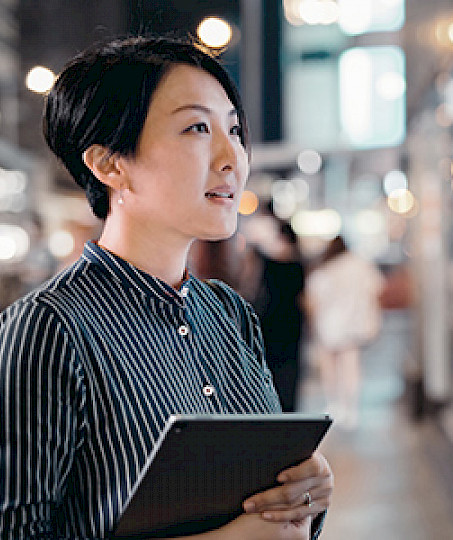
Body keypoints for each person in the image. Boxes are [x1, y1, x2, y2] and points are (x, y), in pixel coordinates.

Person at [0, 36, 333, 539]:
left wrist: (304, 494)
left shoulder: (229, 314)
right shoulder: (47, 329)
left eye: (233, 129)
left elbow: (266, 503)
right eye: (197, 127)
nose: (232, 157)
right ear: (110, 164)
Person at [305, 235, 384, 429]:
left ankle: (334, 404)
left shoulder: (325, 268)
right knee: (351, 366)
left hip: (329, 324)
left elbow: (313, 297)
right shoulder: (360, 265)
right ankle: (351, 407)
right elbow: (377, 288)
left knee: (330, 367)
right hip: (354, 324)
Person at [240, 206, 306, 412]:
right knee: (291, 366)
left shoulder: (266, 260)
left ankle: (272, 404)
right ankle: (288, 406)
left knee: (270, 364)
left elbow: (255, 288)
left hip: (270, 319)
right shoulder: (298, 263)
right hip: (292, 321)